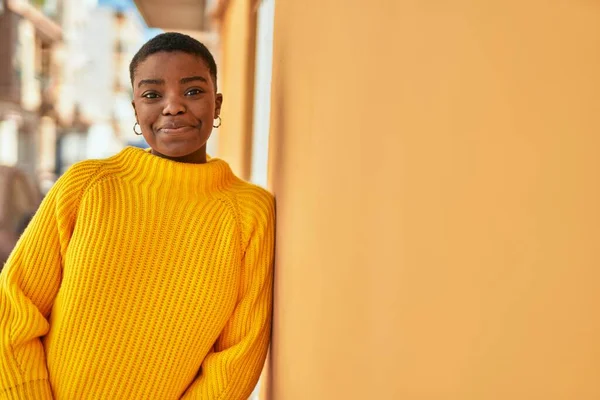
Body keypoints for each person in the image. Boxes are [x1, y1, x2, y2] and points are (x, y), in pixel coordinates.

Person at [0, 32, 275, 399]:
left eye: (193, 91)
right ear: (135, 109)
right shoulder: (87, 186)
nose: (173, 106)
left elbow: (237, 357)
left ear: (218, 104)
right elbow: (14, 308)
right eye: (152, 95)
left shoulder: (249, 213)